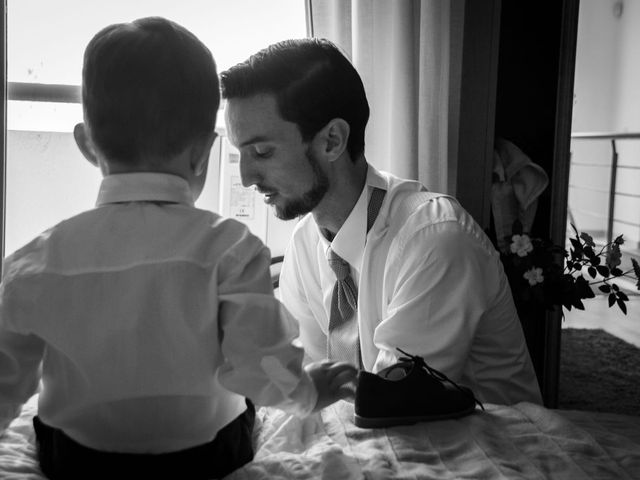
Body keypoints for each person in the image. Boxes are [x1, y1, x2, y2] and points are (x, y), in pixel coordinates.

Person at [0, 19, 356, 479]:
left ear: (87, 145)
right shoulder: (231, 248)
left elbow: (5, 382)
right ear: (203, 151)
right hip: (205, 456)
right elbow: (260, 364)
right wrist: (307, 392)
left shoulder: (33, 262)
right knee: (238, 400)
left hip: (76, 460)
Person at [220, 37, 543, 406]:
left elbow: (391, 403)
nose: (245, 177)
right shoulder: (305, 242)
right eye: (239, 154)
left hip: (494, 443)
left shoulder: (436, 238)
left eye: (262, 152)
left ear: (332, 141)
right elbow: (309, 381)